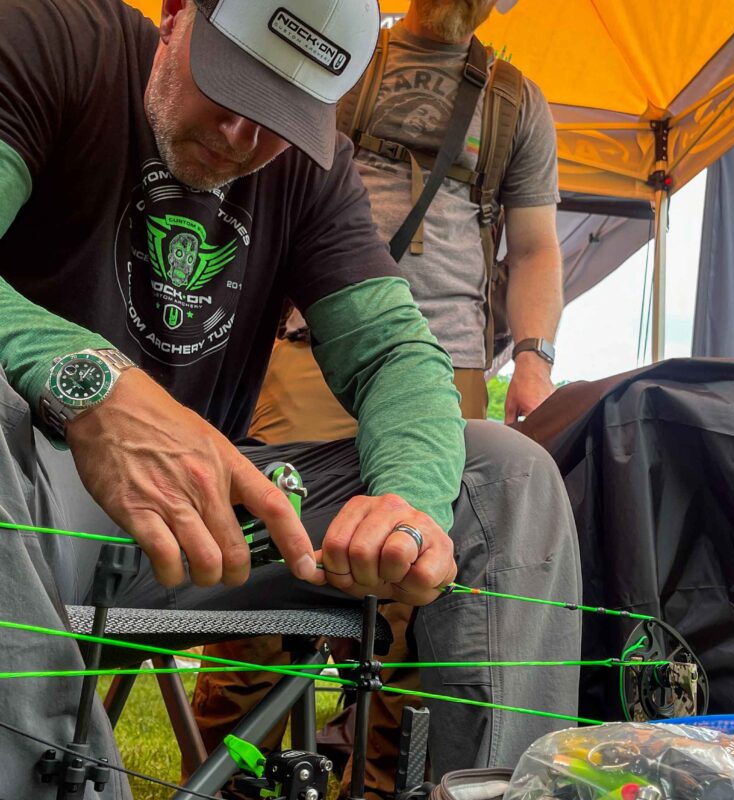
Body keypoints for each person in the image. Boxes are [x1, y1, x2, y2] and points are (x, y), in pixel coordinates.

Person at [0, 1, 580, 799]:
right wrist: (90, 381)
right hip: (25, 498)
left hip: (198, 527)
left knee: (505, 475)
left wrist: (409, 498)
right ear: (174, 15)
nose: (246, 137)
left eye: (280, 115)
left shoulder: (309, 165)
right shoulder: (52, 43)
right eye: (230, 87)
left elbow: (394, 353)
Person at [195, 2, 565, 795]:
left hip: (452, 355)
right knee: (260, 552)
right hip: (312, 343)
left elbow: (534, 245)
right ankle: (234, 775)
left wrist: (532, 355)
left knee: (422, 598)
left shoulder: (512, 99)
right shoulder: (346, 55)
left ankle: (387, 781)